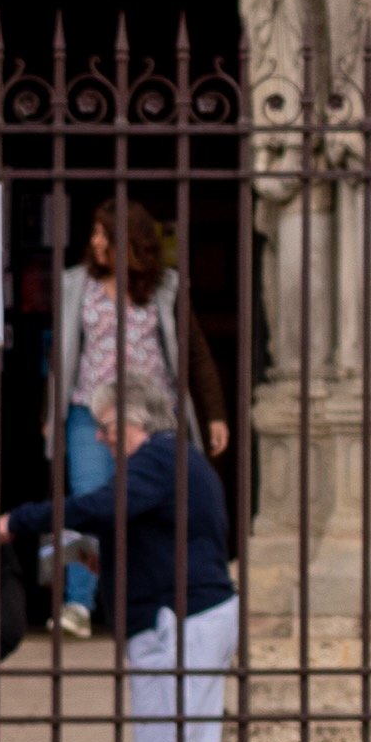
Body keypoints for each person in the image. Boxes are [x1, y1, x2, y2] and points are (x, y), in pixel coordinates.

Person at [0, 381, 237, 742]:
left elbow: (102, 506)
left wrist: (17, 520)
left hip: (183, 617)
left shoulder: (159, 456)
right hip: (178, 616)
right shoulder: (168, 460)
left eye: (107, 426)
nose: (100, 437)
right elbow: (156, 533)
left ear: (136, 420)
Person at [48, 199, 231, 639]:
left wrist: (215, 415)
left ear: (128, 240)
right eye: (93, 233)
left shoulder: (164, 287)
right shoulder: (76, 285)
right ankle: (78, 602)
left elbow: (195, 354)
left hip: (152, 417)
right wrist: (48, 413)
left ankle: (149, 599)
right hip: (87, 411)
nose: (93, 241)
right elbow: (62, 356)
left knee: (153, 507)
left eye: (102, 233)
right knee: (90, 498)